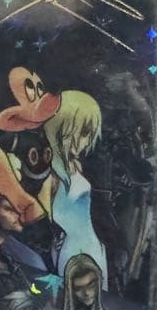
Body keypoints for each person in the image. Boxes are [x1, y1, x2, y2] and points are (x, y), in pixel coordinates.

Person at [42, 90, 108, 287]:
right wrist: (53, 239)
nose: (85, 141)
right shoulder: (50, 174)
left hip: (92, 244)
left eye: (88, 134)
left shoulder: (75, 165)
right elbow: (42, 215)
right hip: (72, 251)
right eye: (83, 132)